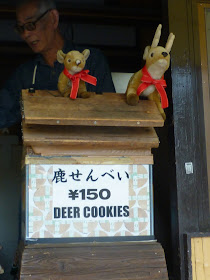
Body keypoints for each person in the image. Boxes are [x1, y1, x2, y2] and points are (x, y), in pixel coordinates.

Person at [0, 0, 115, 129]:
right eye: (21, 28)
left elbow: (110, 112)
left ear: (53, 19)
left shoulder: (91, 60)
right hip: (41, 149)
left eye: (31, 25)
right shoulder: (25, 74)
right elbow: (3, 111)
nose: (26, 34)